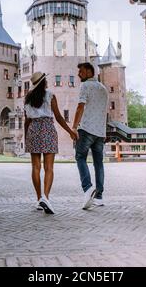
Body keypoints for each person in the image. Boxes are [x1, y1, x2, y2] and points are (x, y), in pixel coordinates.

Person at [24, 71, 78, 214]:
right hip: (47, 128)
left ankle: (39, 200)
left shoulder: (28, 98)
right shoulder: (50, 95)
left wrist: (26, 137)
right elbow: (59, 117)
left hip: (33, 129)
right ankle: (45, 197)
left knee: (36, 167)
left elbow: (26, 121)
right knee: (49, 167)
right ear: (44, 82)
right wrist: (70, 131)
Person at [72, 62, 109, 210]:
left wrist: (74, 126)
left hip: (86, 129)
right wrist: (104, 131)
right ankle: (99, 196)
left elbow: (80, 106)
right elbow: (104, 112)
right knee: (98, 163)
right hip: (100, 132)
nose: (79, 74)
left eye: (81, 71)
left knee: (80, 157)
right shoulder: (104, 89)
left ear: (88, 71)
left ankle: (87, 188)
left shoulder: (85, 86)